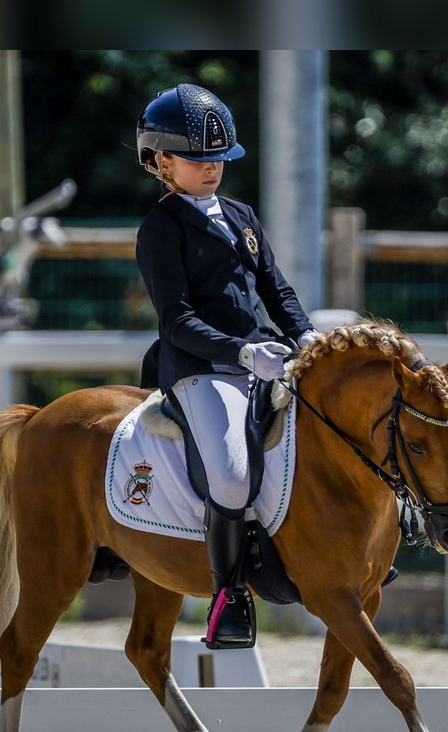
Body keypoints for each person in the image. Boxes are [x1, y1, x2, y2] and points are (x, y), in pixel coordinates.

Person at [133, 83, 320, 649]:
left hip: (266, 355)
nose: (212, 169)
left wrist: (305, 334)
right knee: (234, 475)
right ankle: (228, 594)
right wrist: (239, 352)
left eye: (219, 158)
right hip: (199, 368)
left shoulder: (240, 214)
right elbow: (176, 320)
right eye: (197, 159)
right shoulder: (160, 228)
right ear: (162, 161)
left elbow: (276, 287)